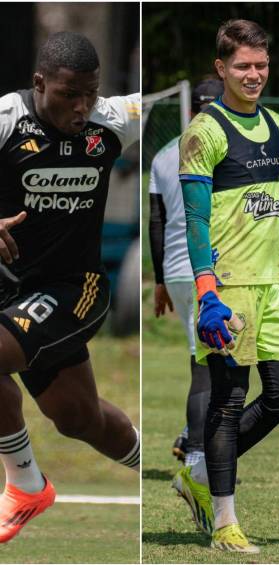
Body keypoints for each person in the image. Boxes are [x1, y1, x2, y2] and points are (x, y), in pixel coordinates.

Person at [174, 19, 279, 554]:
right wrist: (207, 293)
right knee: (229, 400)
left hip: (277, 286)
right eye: (243, 66)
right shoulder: (204, 132)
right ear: (222, 69)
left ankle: (200, 469)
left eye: (261, 65)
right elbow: (193, 223)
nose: (254, 74)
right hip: (231, 288)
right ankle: (224, 523)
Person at [0, 31, 140, 542]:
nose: (82, 107)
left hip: (75, 289)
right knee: (78, 419)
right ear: (39, 83)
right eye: (68, 94)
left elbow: (171, 105)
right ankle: (176, 469)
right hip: (12, 294)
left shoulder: (112, 119)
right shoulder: (7, 121)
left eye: (90, 93)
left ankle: (25, 484)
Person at [148, 78, 223, 468]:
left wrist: (160, 280)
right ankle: (197, 454)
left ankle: (191, 438)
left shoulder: (163, 155)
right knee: (208, 366)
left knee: (212, 362)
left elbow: (156, 222)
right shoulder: (222, 150)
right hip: (207, 269)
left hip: (177, 273)